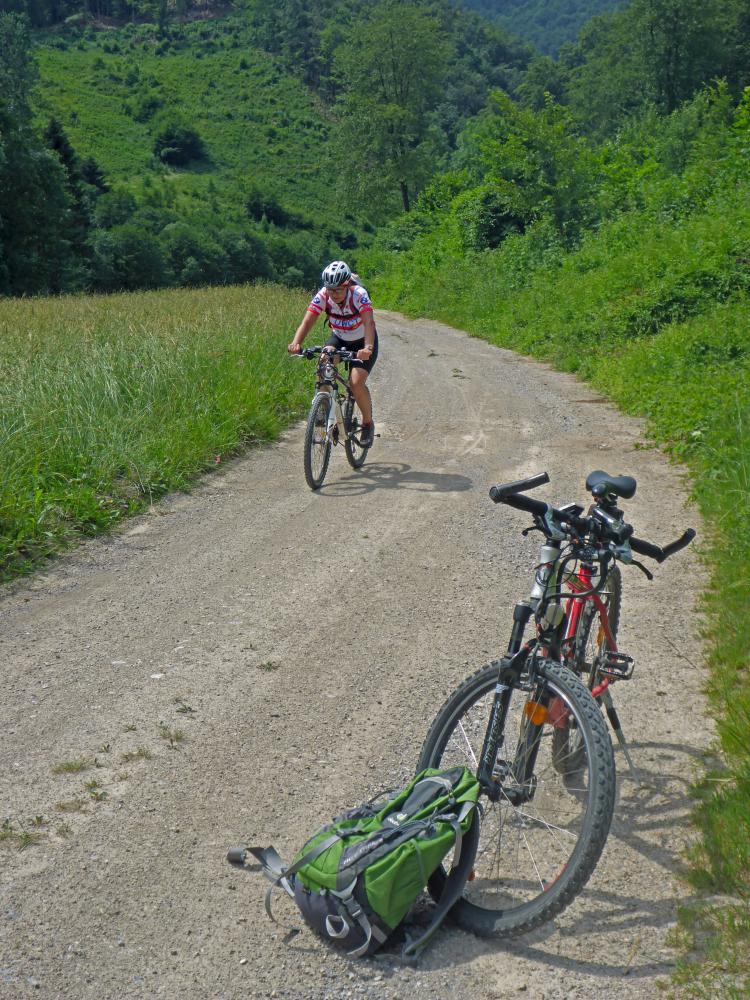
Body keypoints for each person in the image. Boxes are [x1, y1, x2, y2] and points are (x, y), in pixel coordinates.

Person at [288, 261, 378, 446]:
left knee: (356, 382)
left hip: (363, 341)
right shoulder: (323, 296)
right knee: (323, 364)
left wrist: (367, 348)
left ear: (347, 285)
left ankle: (367, 424)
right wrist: (296, 343)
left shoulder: (358, 295)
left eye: (338, 290)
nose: (333, 294)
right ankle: (321, 414)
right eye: (330, 289)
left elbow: (369, 323)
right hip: (339, 337)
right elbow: (307, 322)